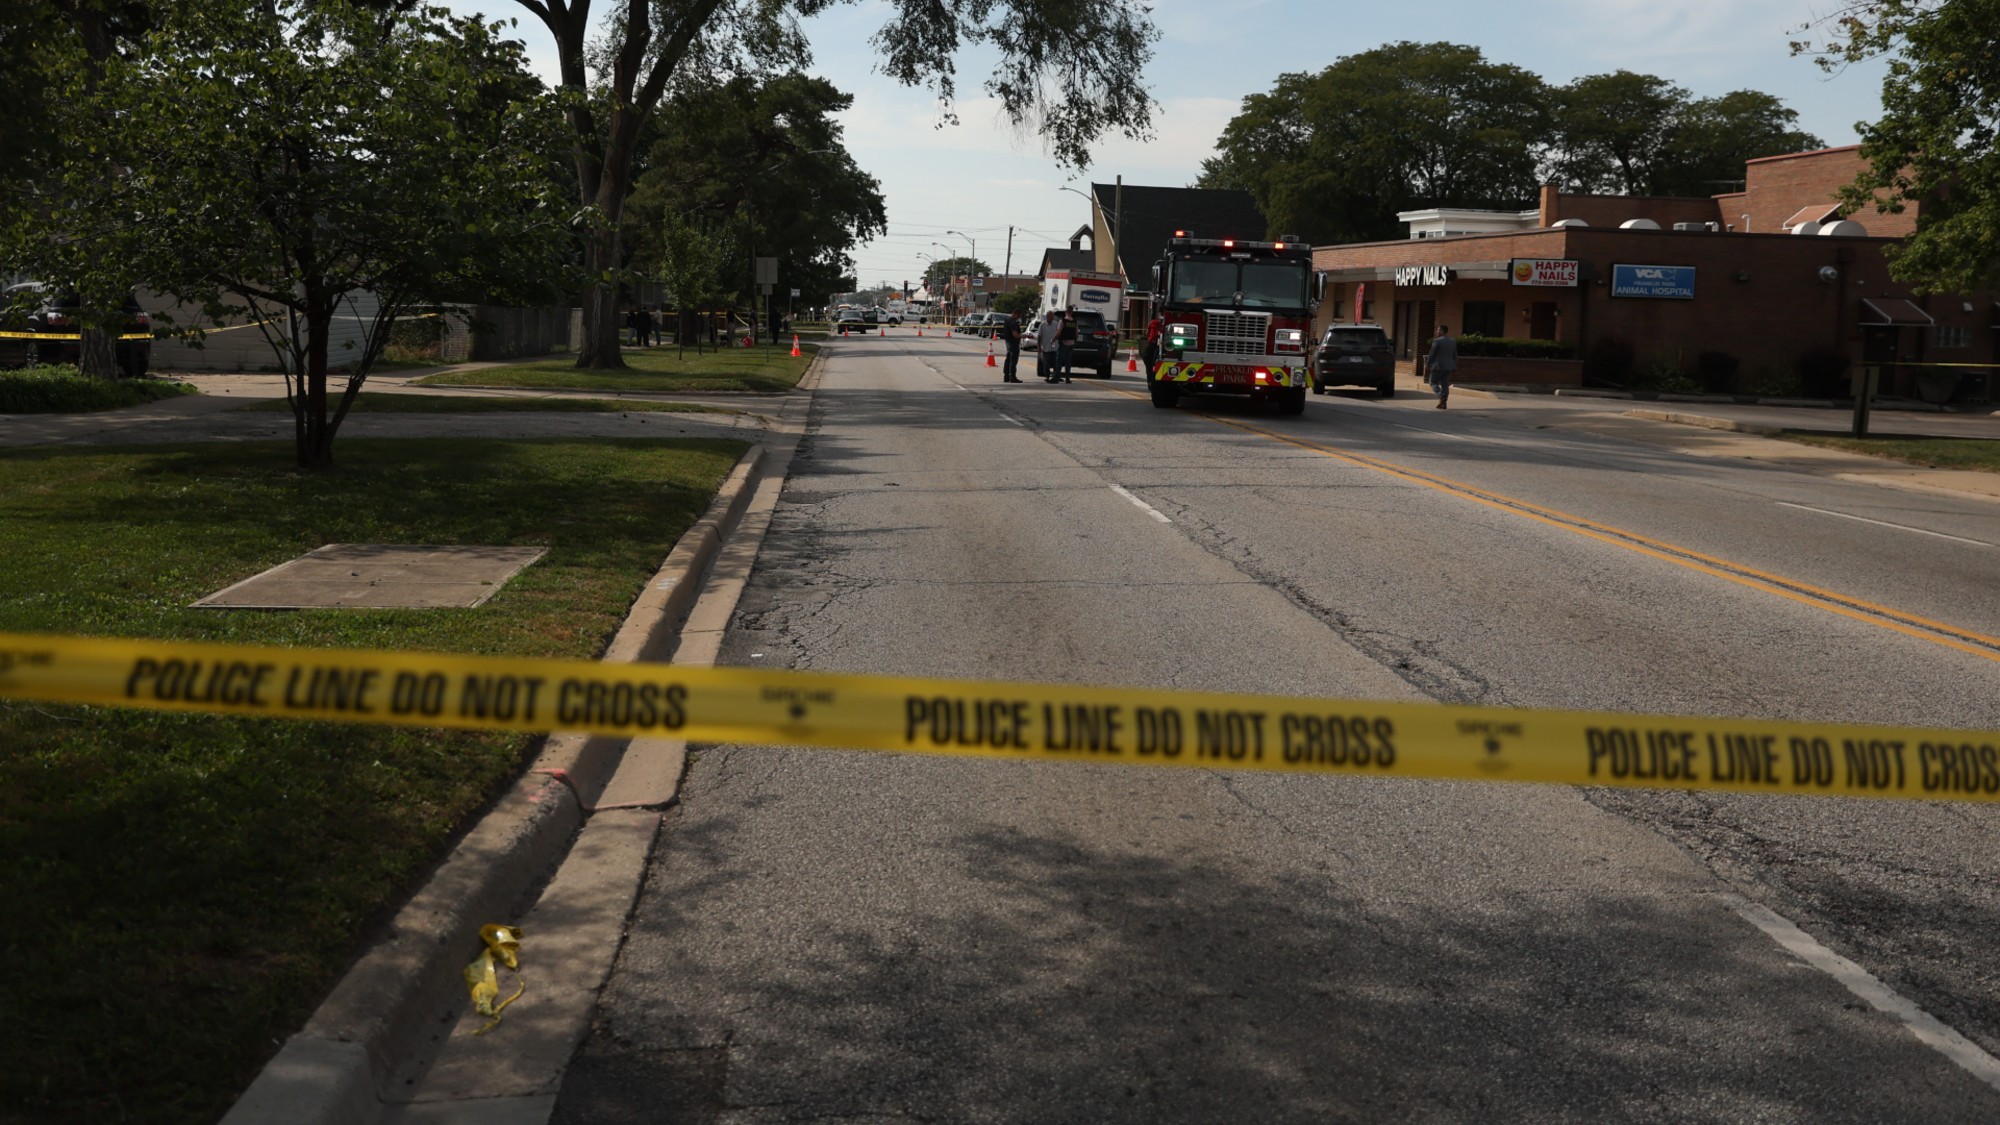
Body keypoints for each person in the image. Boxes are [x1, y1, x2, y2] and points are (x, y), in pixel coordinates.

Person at [1427, 322, 1457, 408]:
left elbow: (1432, 354)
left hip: (1438, 366)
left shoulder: (1437, 341)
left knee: (1432, 382)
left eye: (1438, 330)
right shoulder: (1452, 341)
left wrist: (1428, 364)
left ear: (1442, 331)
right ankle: (1443, 403)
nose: (1436, 331)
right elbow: (1455, 355)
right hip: (1449, 366)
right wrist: (1454, 365)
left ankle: (1441, 396)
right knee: (1445, 384)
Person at [997, 312, 1023, 382]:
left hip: (1008, 343)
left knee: (1008, 360)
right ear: (1015, 314)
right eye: (1018, 316)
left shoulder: (1007, 320)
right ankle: (1012, 377)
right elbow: (1015, 334)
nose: (1018, 318)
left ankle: (1006, 377)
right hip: (1013, 343)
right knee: (1013, 361)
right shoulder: (1013, 322)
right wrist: (1023, 336)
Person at [1036, 309, 1061, 381]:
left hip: (1055, 347)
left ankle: (1056, 376)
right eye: (1048, 316)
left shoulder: (1056, 324)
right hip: (1046, 347)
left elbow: (1059, 334)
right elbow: (1039, 336)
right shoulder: (1042, 325)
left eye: (1051, 316)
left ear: (1053, 317)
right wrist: (1039, 346)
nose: (1049, 317)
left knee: (1055, 363)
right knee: (1046, 363)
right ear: (1046, 317)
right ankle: (1047, 376)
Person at [1054, 311, 1078, 383]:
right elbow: (1076, 333)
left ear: (1066, 312)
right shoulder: (1074, 322)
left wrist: (1053, 338)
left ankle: (1056, 378)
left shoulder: (1062, 321)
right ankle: (1067, 379)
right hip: (1071, 344)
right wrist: (1074, 341)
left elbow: (1059, 332)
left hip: (1063, 343)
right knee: (1068, 362)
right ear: (1071, 312)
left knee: (1059, 361)